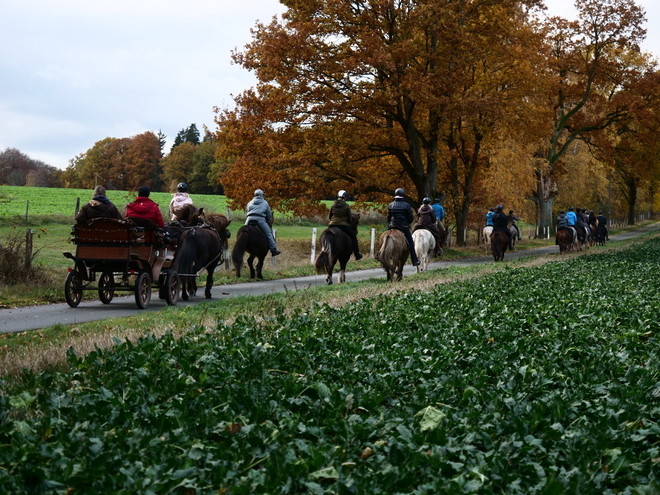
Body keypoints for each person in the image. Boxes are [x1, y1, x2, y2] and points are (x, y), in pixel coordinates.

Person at [387, 188, 420, 266]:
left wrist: (391, 223)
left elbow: (388, 217)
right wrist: (408, 222)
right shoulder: (407, 205)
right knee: (411, 243)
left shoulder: (391, 204)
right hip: (403, 226)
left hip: (392, 225)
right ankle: (415, 260)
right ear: (403, 194)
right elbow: (410, 217)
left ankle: (379, 254)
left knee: (385, 237)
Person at [328, 190, 363, 260]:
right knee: (353, 237)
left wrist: (332, 221)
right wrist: (348, 223)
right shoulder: (346, 206)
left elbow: (330, 216)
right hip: (343, 225)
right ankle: (357, 255)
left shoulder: (333, 205)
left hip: (332, 224)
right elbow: (349, 218)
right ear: (344, 197)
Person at [245, 189, 281, 256]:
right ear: (262, 195)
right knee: (269, 234)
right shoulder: (265, 203)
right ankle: (273, 250)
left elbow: (246, 212)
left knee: (243, 233)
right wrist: (267, 222)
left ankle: (240, 246)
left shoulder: (249, 202)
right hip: (260, 220)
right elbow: (268, 215)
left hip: (249, 219)